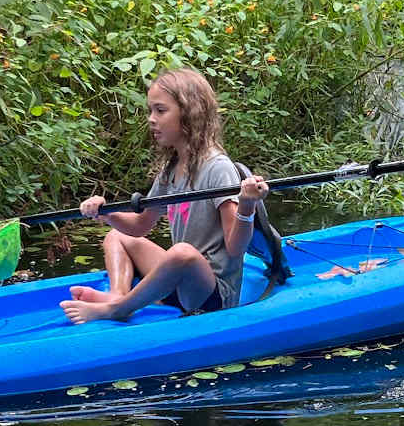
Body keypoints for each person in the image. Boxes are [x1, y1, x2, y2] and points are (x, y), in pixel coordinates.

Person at [61, 69, 271, 324]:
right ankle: (118, 294)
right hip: (179, 282)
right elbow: (140, 226)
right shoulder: (171, 170)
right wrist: (106, 213)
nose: (151, 119)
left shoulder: (218, 168)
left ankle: (117, 309)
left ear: (189, 113)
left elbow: (235, 248)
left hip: (211, 294)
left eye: (160, 111)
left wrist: (247, 205)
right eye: (151, 110)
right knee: (117, 236)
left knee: (182, 253)